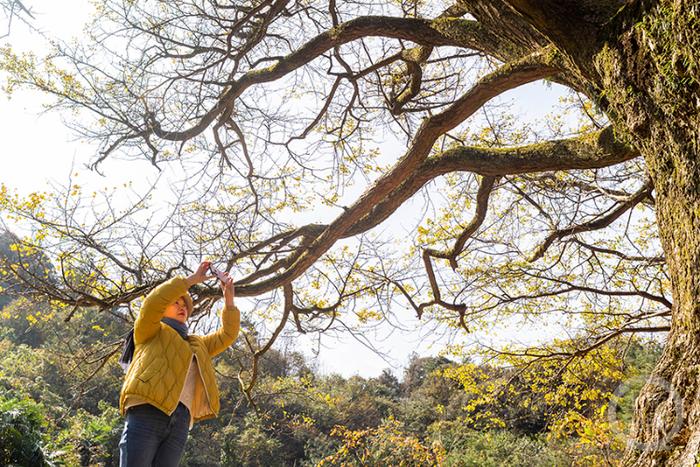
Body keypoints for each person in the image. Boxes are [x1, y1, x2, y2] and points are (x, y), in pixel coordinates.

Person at [117, 261, 240, 466]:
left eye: (185, 306)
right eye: (176, 303)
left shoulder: (197, 344)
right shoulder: (150, 330)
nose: (182, 307)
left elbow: (227, 335)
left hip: (181, 421)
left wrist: (229, 299)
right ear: (163, 308)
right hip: (148, 409)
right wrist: (191, 280)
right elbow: (152, 303)